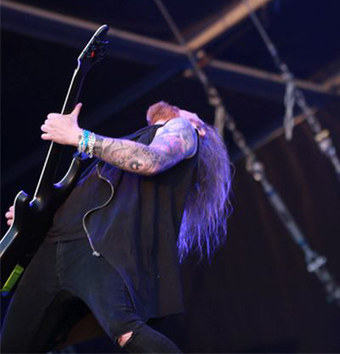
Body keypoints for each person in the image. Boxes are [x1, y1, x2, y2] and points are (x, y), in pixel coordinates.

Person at [1, 101, 232, 353]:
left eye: (187, 109)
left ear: (198, 128)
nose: (176, 106)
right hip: (51, 249)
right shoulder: (120, 152)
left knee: (125, 330)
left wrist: (78, 136)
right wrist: (34, 219)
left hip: (96, 252)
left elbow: (149, 160)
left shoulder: (184, 131)